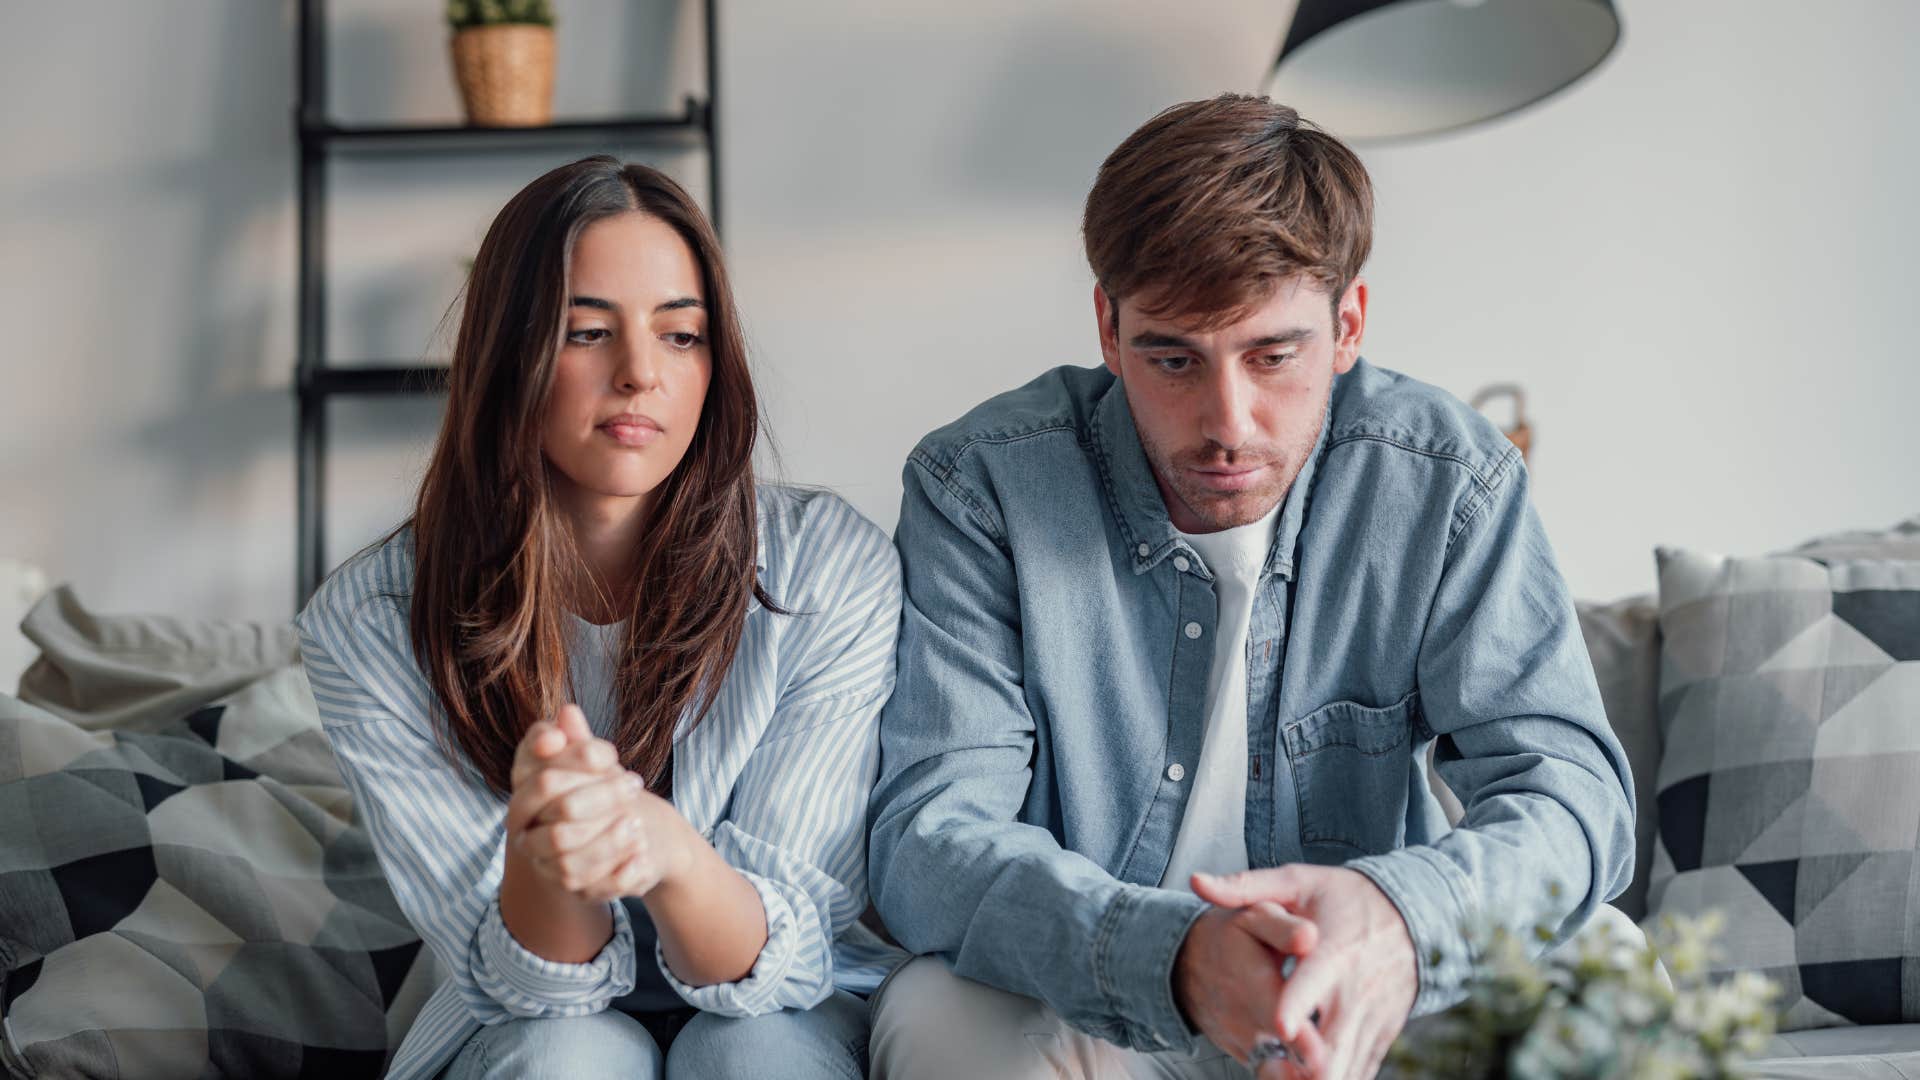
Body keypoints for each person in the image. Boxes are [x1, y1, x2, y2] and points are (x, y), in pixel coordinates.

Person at [866, 94, 1636, 1080]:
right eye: (1172, 358)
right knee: (936, 1014)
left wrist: (1402, 920)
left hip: (1367, 981)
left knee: (1608, 966)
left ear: (1347, 322)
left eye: (1274, 356)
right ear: (1108, 327)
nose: (1227, 422)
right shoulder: (983, 488)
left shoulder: (1442, 478)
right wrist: (1175, 959)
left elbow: (1572, 795)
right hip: (1096, 991)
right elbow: (929, 837)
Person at [295, 157, 900, 1080]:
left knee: (756, 1054)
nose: (639, 376)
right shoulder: (370, 620)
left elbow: (788, 952)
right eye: (586, 333)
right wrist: (549, 858)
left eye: (681, 335)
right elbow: (529, 989)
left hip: (781, 1005)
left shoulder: (828, 567)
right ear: (510, 353)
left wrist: (668, 853)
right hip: (526, 1018)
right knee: (564, 1057)